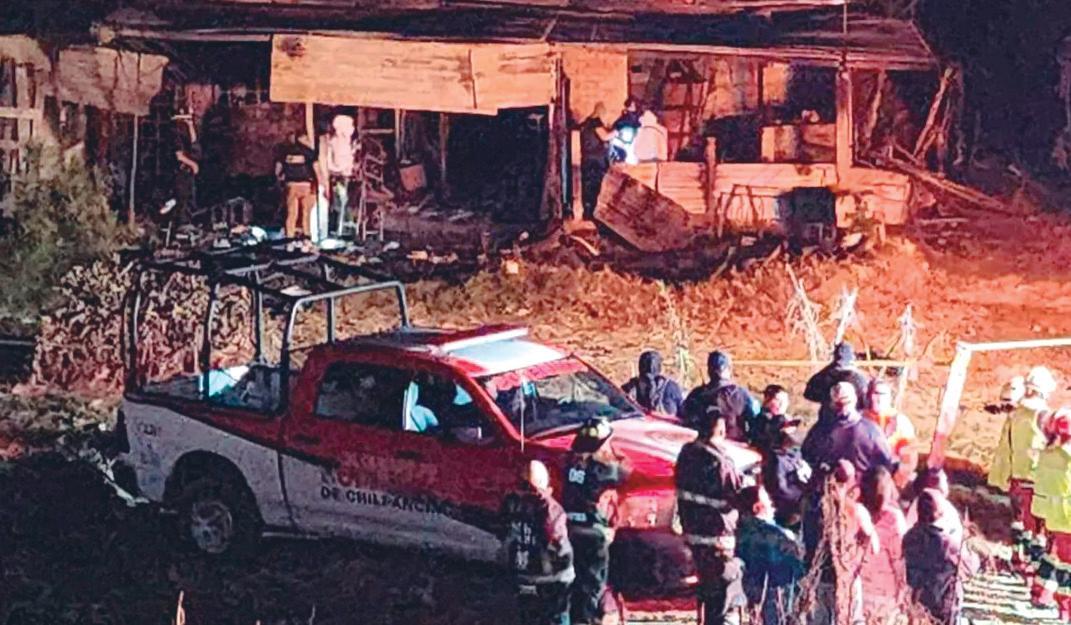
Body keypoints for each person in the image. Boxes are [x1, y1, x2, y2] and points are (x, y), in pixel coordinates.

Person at [675, 409, 747, 625]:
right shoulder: (721, 462)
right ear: (722, 430)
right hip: (718, 536)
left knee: (707, 587)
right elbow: (734, 496)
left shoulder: (686, 453)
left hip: (693, 532)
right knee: (724, 590)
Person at [988, 365, 1058, 573]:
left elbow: (1005, 447)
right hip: (1038, 479)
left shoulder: (1015, 415)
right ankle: (1033, 567)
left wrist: (1002, 476)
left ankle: (1019, 558)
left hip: (1017, 476)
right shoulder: (1045, 416)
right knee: (1038, 526)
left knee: (1020, 520)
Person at [562, 418, 629, 625]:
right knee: (592, 585)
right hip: (593, 533)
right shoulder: (602, 470)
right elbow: (626, 470)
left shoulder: (570, 463)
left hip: (571, 529)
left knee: (575, 582)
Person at [501, 460, 575, 625]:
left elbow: (502, 532)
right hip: (550, 579)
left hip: (521, 574)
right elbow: (560, 547)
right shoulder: (551, 509)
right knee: (559, 614)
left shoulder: (511, 503)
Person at [806, 460, 879, 625]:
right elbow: (874, 546)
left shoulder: (812, 509)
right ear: (851, 482)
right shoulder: (854, 510)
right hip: (846, 578)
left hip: (818, 579)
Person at [903, 489, 980, 625]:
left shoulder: (909, 537)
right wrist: (966, 542)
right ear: (939, 513)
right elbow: (971, 566)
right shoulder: (946, 543)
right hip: (941, 607)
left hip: (914, 603)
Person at [735, 485, 806, 625]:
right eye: (767, 500)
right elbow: (795, 566)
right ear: (757, 507)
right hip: (777, 594)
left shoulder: (740, 532)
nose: (772, 505)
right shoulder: (774, 535)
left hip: (754, 592)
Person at [1030, 408, 1071, 614]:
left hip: (1052, 515)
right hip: (1067, 516)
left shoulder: (1047, 455)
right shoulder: (1067, 457)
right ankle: (1065, 607)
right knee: (1066, 565)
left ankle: (1041, 593)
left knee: (1055, 556)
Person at [858, 466, 908, 621]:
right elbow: (899, 560)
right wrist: (903, 592)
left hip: (859, 591)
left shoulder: (856, 512)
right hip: (885, 595)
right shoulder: (893, 518)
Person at [682, 350, 758, 442]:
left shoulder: (696, 394)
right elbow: (755, 422)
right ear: (728, 369)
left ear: (709, 370)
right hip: (734, 446)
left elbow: (685, 419)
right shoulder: (742, 394)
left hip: (701, 445)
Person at [863, 380, 919, 488]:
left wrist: (896, 482)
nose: (879, 398)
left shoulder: (900, 422)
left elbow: (909, 458)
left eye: (883, 394)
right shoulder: (860, 419)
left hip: (891, 477)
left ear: (889, 398)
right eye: (875, 393)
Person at [761, 414, 811, 529]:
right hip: (789, 512)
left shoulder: (795, 453)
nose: (793, 431)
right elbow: (780, 489)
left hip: (803, 504)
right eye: (788, 429)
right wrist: (802, 497)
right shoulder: (776, 460)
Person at [804, 342, 871, 422]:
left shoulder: (826, 376)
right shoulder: (859, 378)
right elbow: (809, 393)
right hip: (833, 420)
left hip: (841, 420)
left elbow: (809, 393)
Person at [321, 114, 360, 235]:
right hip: (339, 177)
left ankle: (348, 227)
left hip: (351, 177)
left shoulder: (349, 143)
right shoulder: (334, 142)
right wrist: (338, 170)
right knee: (340, 203)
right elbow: (330, 161)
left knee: (350, 204)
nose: (352, 129)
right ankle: (338, 229)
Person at [275, 131, 319, 238]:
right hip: (306, 184)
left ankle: (289, 237)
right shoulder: (309, 152)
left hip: (291, 184)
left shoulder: (285, 152)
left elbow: (278, 169)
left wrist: (280, 180)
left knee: (292, 213)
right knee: (306, 213)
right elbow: (316, 168)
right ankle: (306, 236)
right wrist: (317, 183)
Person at [578, 103, 614, 220]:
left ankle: (587, 211)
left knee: (587, 186)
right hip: (596, 161)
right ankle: (592, 213)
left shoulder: (585, 124)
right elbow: (605, 136)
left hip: (587, 159)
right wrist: (617, 132)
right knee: (596, 186)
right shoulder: (595, 122)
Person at [621, 350, 684, 416]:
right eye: (645, 380)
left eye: (653, 379)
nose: (649, 384)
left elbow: (683, 415)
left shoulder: (670, 388)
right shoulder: (626, 392)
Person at [171, 111, 201, 226]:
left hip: (189, 174)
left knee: (190, 200)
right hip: (181, 173)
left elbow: (194, 144)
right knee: (183, 200)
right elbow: (179, 156)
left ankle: (189, 223)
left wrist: (190, 125)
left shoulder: (186, 134)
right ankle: (182, 224)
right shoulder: (175, 134)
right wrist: (193, 164)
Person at [750, 384, 792, 449]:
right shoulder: (761, 419)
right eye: (777, 400)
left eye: (785, 401)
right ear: (767, 400)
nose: (782, 404)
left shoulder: (786, 420)